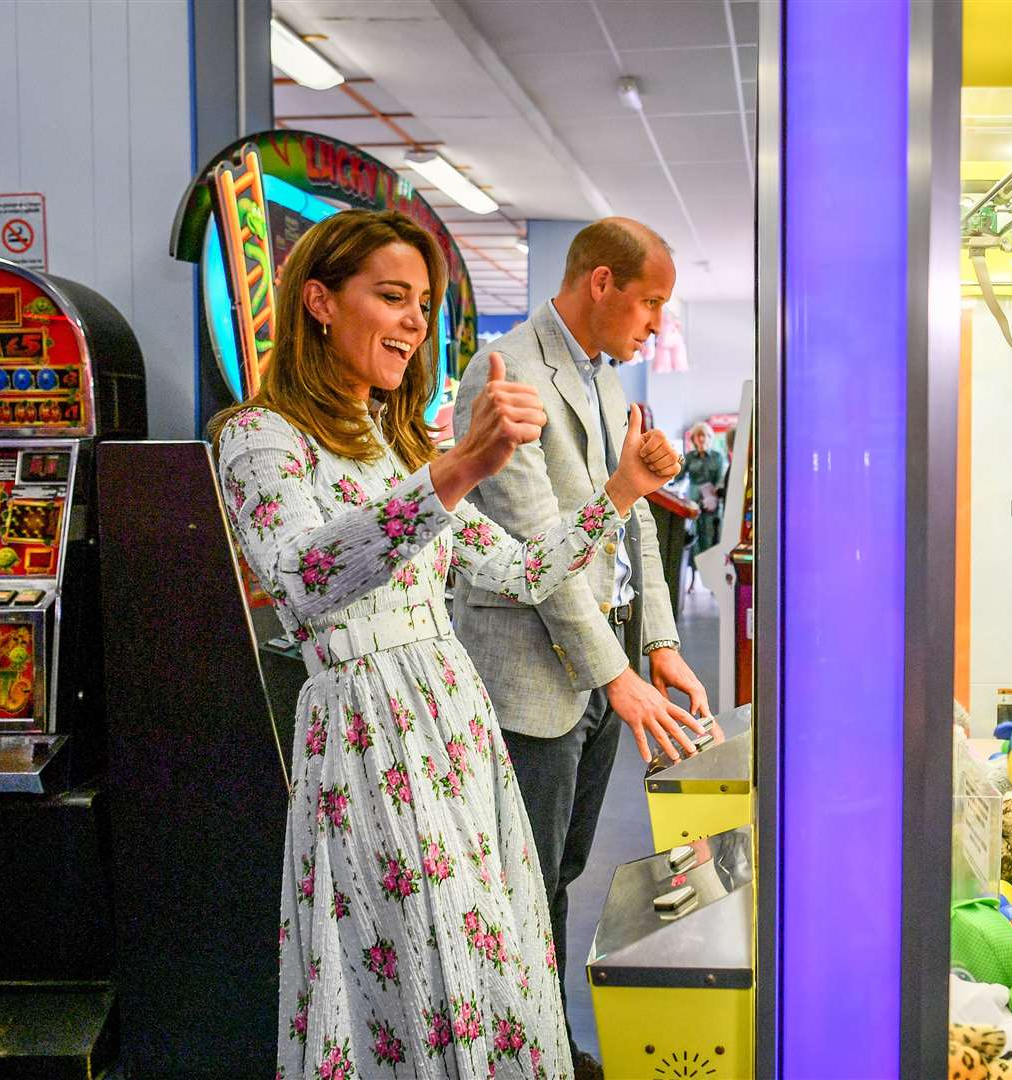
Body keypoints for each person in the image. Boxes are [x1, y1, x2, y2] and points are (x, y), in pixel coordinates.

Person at [210, 209, 680, 1079]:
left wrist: (620, 492)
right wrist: (459, 468)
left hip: (455, 731)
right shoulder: (257, 437)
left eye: (422, 305)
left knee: (490, 967)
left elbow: (521, 571)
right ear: (319, 301)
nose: (413, 323)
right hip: (368, 738)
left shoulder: (392, 450)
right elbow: (306, 580)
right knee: (413, 972)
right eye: (392, 297)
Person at [452, 218, 712, 1077]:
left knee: (560, 871)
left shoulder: (603, 379)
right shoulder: (502, 375)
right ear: (601, 283)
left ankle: (542, 1045)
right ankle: (529, 1055)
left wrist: (661, 645)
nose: (655, 324)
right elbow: (538, 555)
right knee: (520, 884)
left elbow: (626, 514)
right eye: (650, 302)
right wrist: (618, 674)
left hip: (596, 678)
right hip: (532, 677)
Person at [682, 421, 729, 559]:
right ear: (694, 439)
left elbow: (721, 480)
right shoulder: (689, 457)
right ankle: (695, 569)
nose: (702, 439)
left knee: (709, 537)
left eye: (705, 435)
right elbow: (678, 477)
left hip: (711, 503)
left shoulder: (717, 457)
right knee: (693, 537)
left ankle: (710, 570)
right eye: (698, 436)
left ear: (710, 437)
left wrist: (713, 496)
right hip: (693, 502)